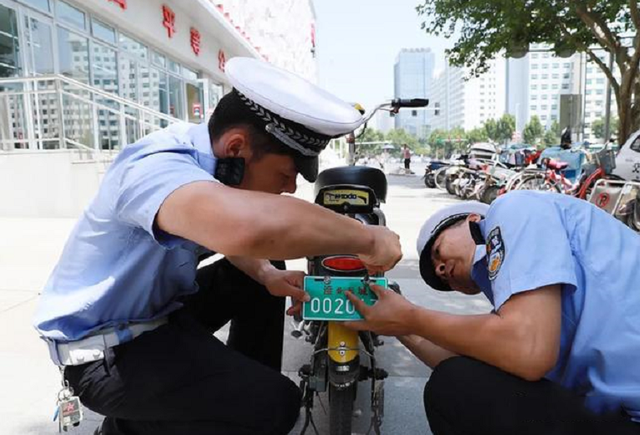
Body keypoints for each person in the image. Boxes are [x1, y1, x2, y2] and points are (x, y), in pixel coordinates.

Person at [33, 57, 402, 435]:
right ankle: (138, 424)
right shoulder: (157, 168)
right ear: (237, 147)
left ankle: (227, 398)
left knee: (262, 270)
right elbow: (247, 227)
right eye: (285, 174)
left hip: (157, 317)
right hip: (107, 356)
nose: (290, 188)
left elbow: (233, 234)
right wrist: (368, 237)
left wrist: (267, 274)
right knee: (277, 404)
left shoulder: (210, 163)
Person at [344, 192, 640, 435]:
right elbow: (479, 369)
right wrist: (400, 326)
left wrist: (410, 316)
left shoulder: (514, 208)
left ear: (473, 220)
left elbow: (528, 350)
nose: (441, 269)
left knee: (454, 387)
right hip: (617, 419)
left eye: (437, 252)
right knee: (461, 380)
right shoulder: (528, 308)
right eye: (441, 280)